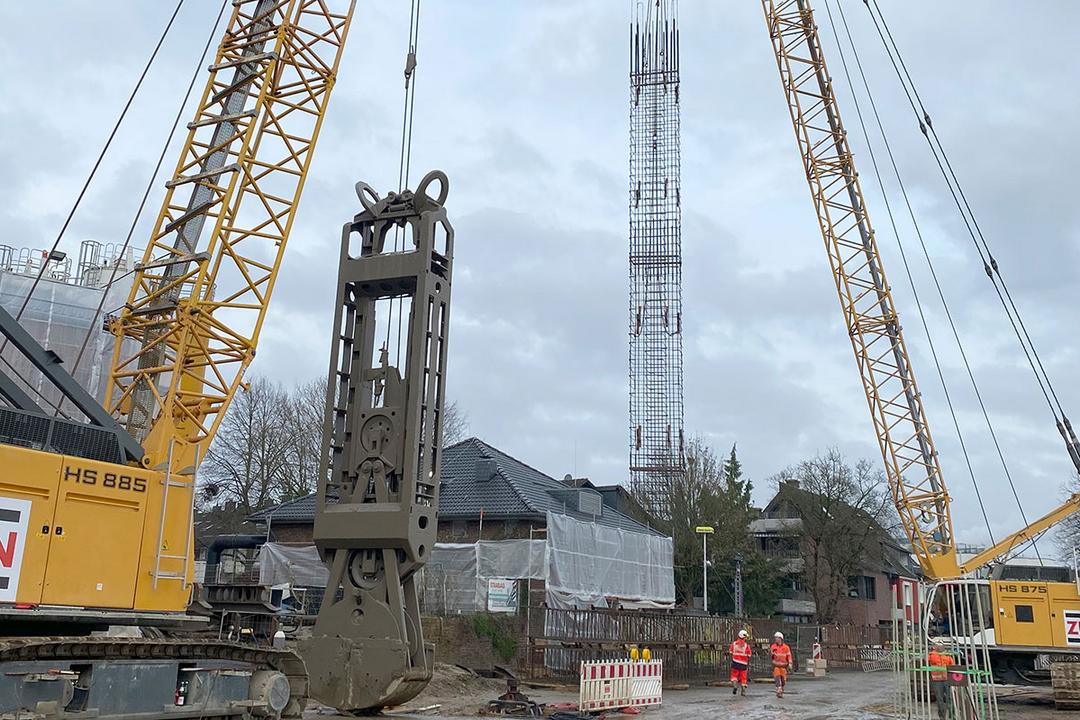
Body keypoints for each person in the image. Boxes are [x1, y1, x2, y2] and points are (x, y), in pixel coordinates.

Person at [928, 643, 954, 720]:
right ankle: (942, 716)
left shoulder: (947, 655)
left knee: (950, 698)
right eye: (937, 645)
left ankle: (952, 714)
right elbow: (926, 660)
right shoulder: (931, 655)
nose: (939, 647)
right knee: (940, 698)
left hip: (947, 679)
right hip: (937, 680)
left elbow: (952, 666)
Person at [770, 631, 793, 698]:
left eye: (777, 638)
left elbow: (789, 656)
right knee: (777, 677)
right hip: (776, 665)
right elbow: (771, 656)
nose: (776, 639)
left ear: (780, 639)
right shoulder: (773, 646)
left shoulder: (786, 647)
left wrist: (790, 663)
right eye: (775, 638)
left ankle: (781, 688)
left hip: (784, 666)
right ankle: (779, 689)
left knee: (783, 680)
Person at [729, 629, 752, 696]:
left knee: (734, 676)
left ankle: (735, 686)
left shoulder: (734, 644)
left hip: (735, 662)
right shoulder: (746, 646)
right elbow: (749, 655)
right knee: (743, 677)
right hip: (743, 664)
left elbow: (730, 652)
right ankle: (743, 691)